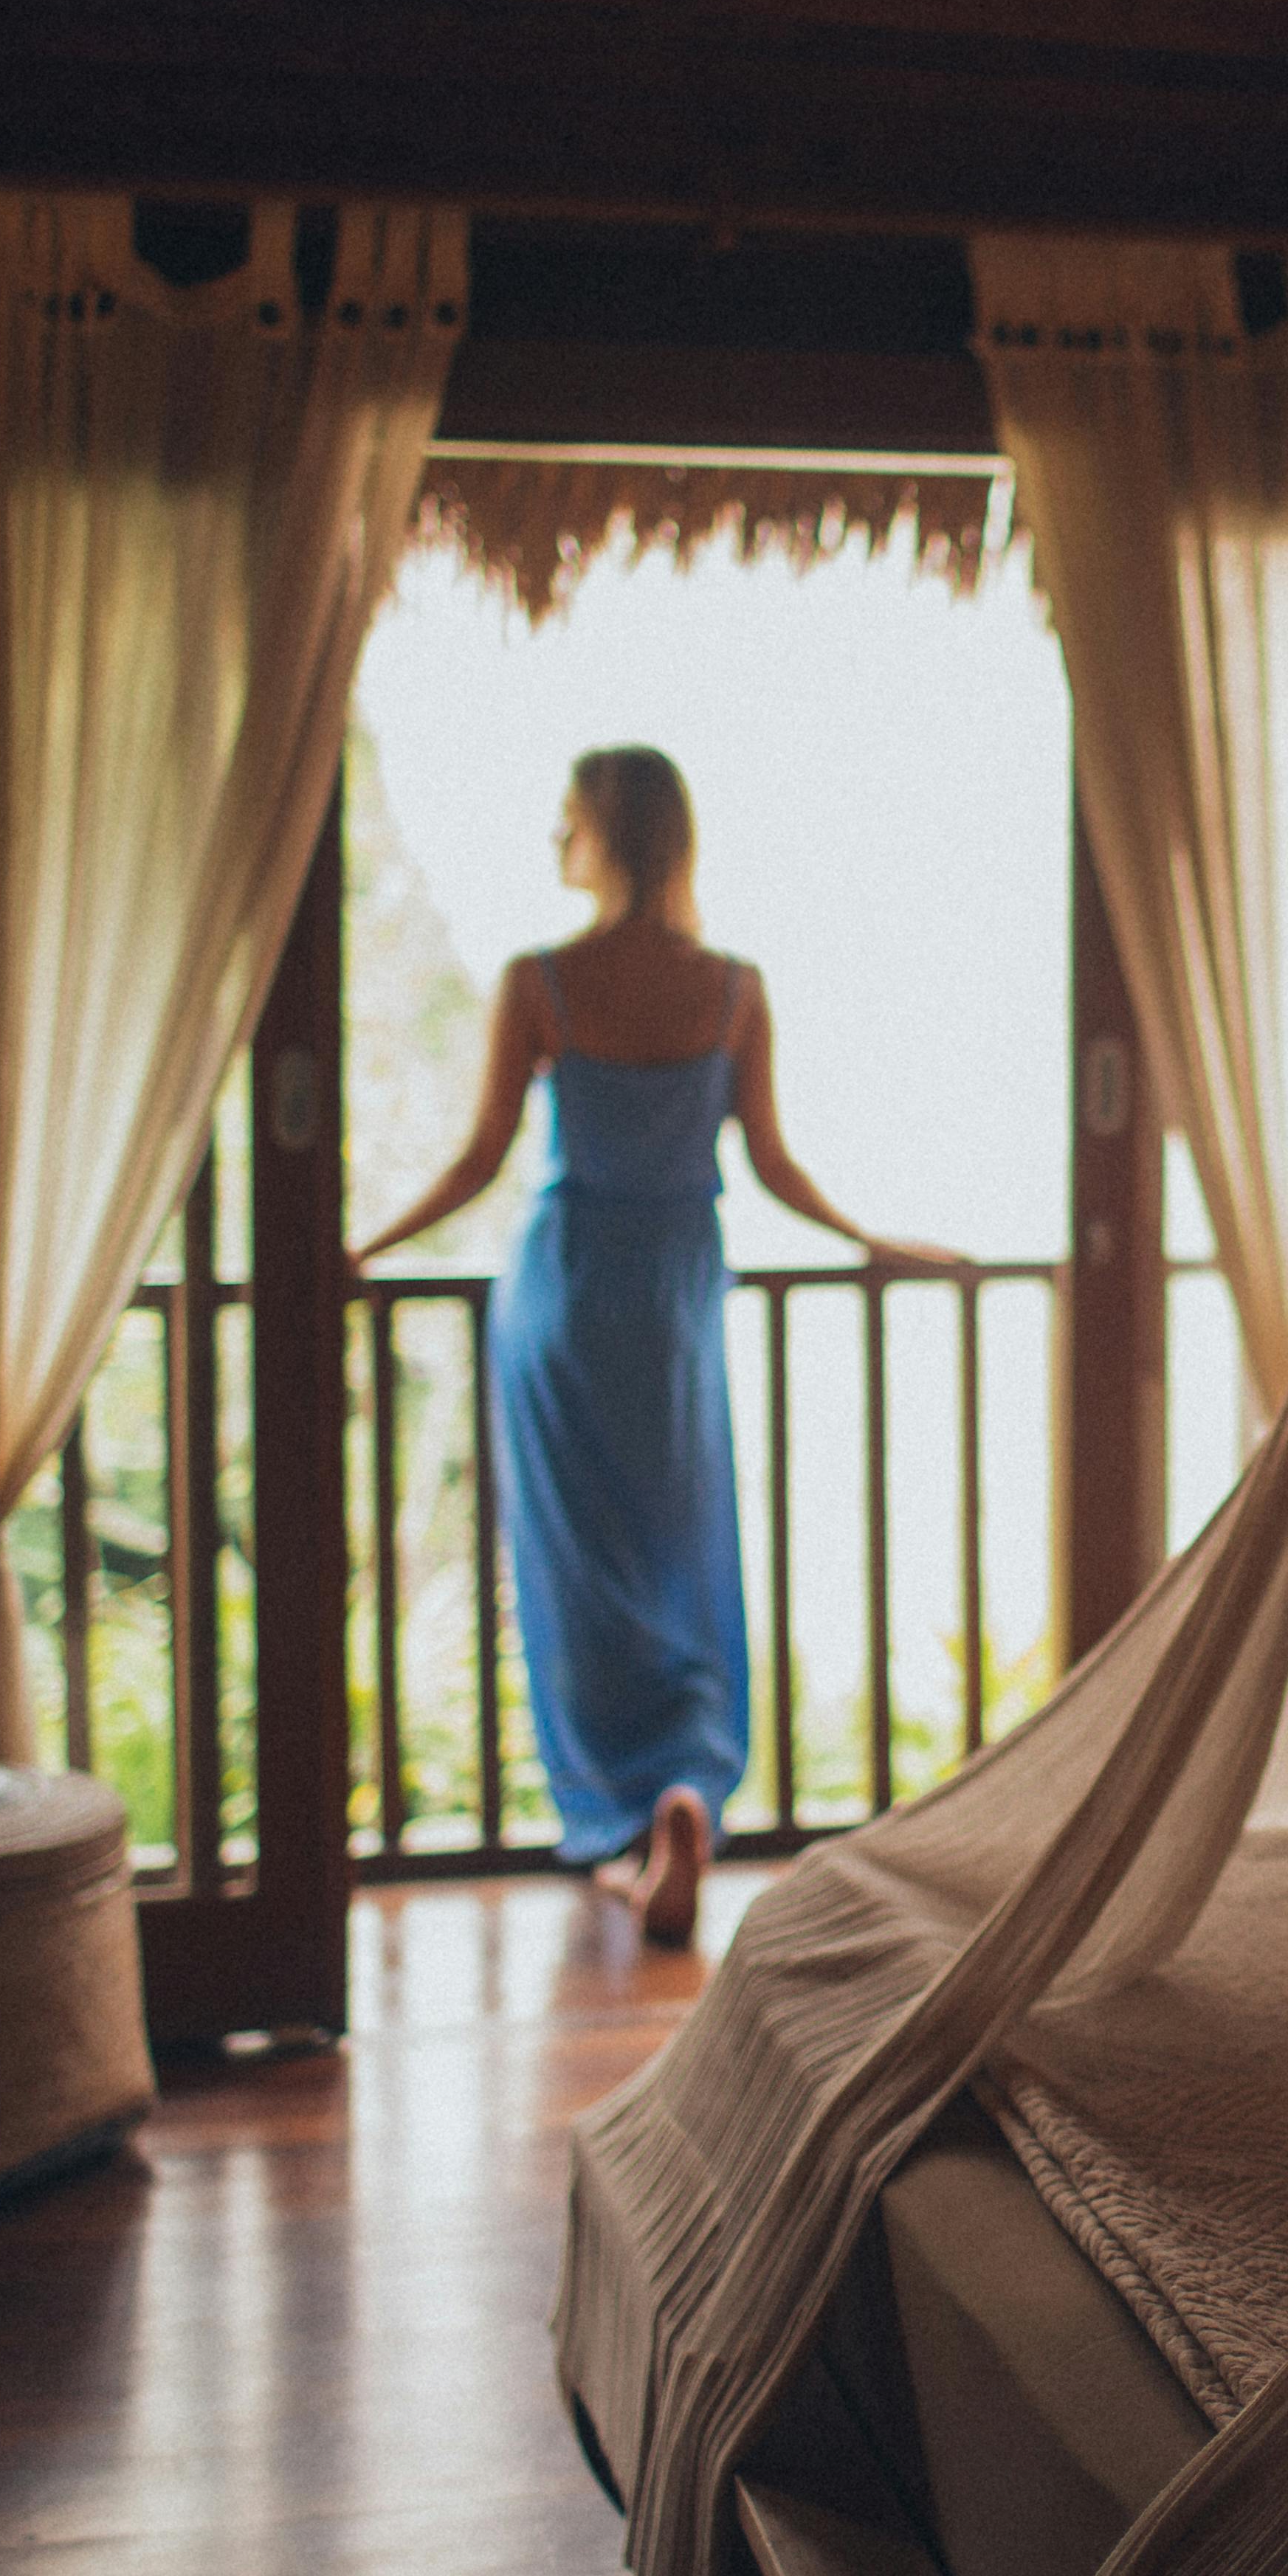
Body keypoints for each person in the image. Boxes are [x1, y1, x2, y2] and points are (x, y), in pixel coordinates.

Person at [356, 745, 953, 1944]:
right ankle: (685, 1794)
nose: (554, 839)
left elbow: (479, 1163)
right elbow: (773, 1168)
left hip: (566, 1293)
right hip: (675, 1298)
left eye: (567, 818)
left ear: (611, 836)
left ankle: (630, 1824)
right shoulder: (732, 989)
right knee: (684, 1555)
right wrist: (875, 1244)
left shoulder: (543, 982)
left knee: (582, 1574)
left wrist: (361, 1253)